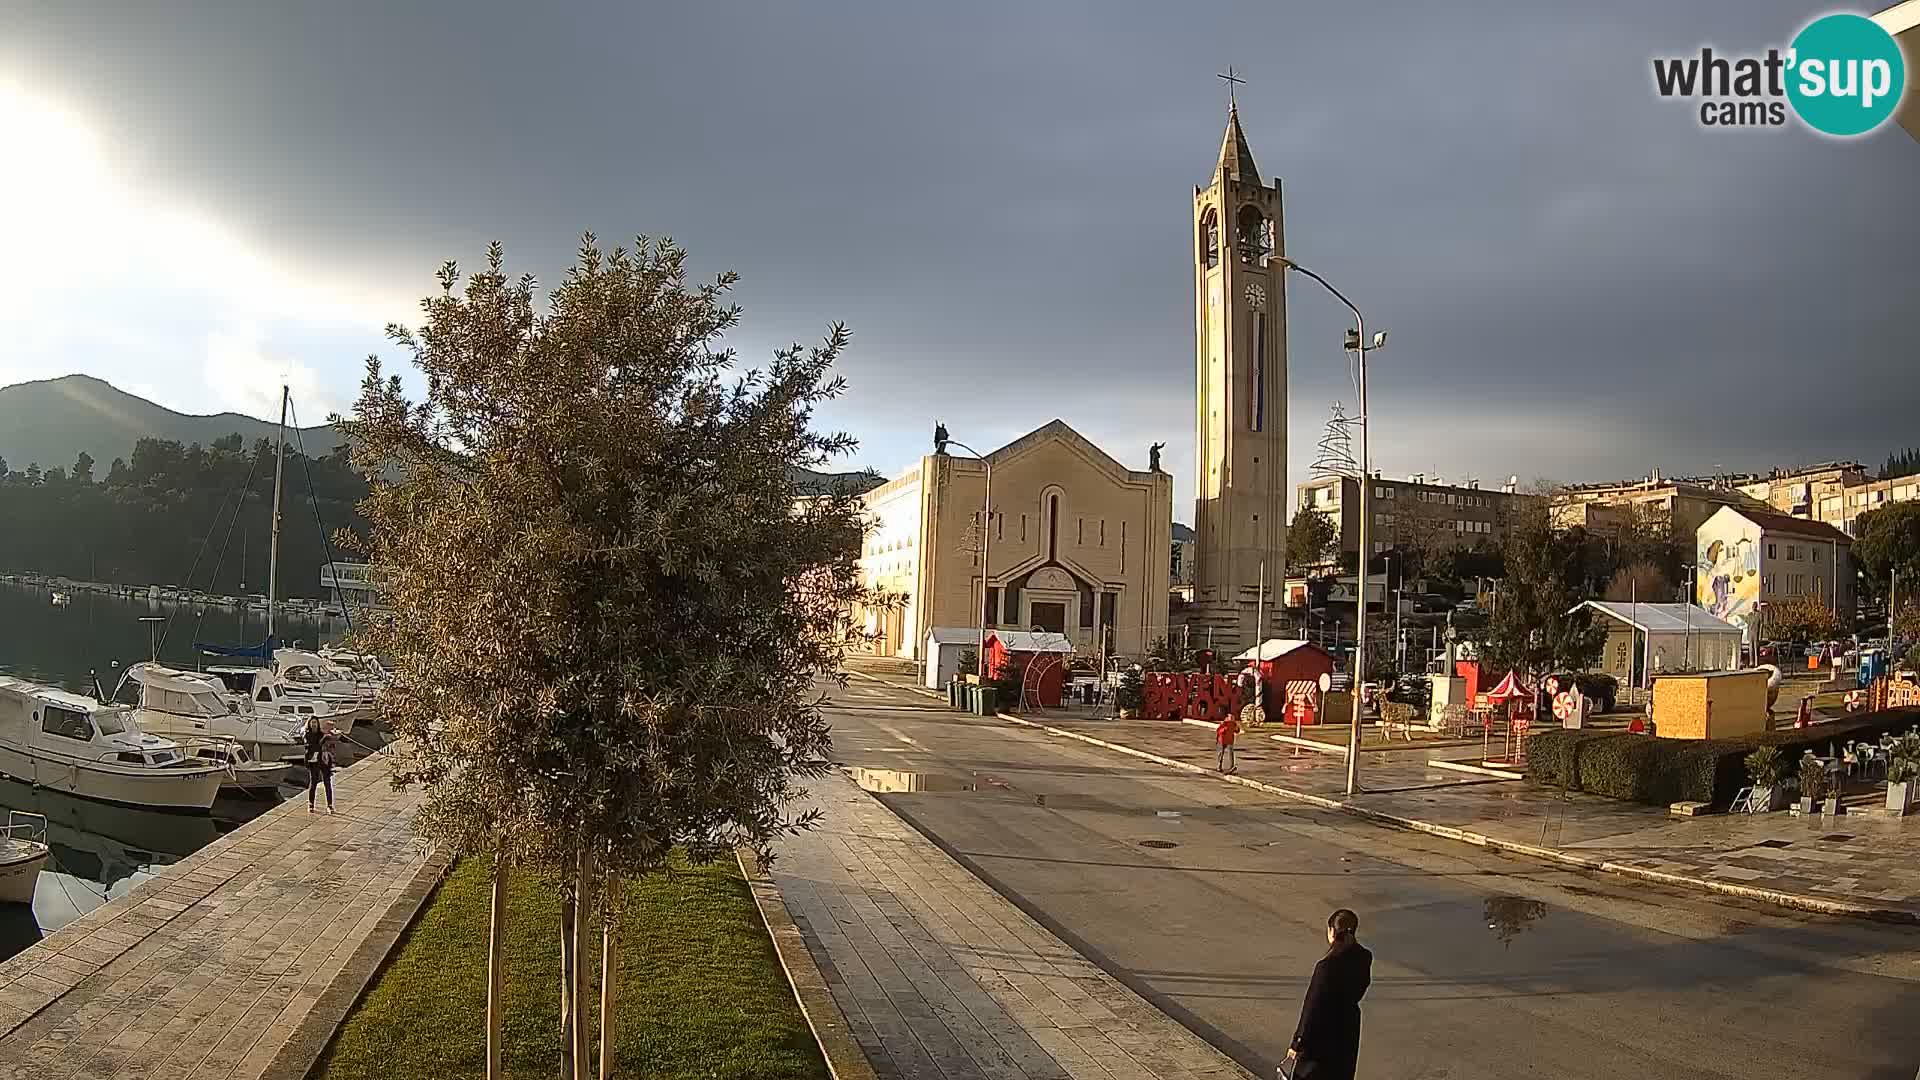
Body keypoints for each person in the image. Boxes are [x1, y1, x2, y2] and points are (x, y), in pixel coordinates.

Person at [1285, 909, 1371, 1080]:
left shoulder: (1326, 966)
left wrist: (1298, 1043)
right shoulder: (1364, 957)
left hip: (1322, 1034)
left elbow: (1311, 1008)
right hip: (1348, 1027)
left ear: (1332, 931)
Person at [304, 715, 338, 814]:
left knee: (327, 782)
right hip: (313, 761)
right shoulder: (307, 735)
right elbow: (312, 746)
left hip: (323, 761)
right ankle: (311, 804)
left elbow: (331, 744)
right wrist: (323, 739)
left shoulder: (321, 734)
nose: (314, 724)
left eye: (315, 722)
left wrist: (332, 736)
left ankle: (330, 805)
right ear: (309, 724)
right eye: (312, 723)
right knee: (313, 783)